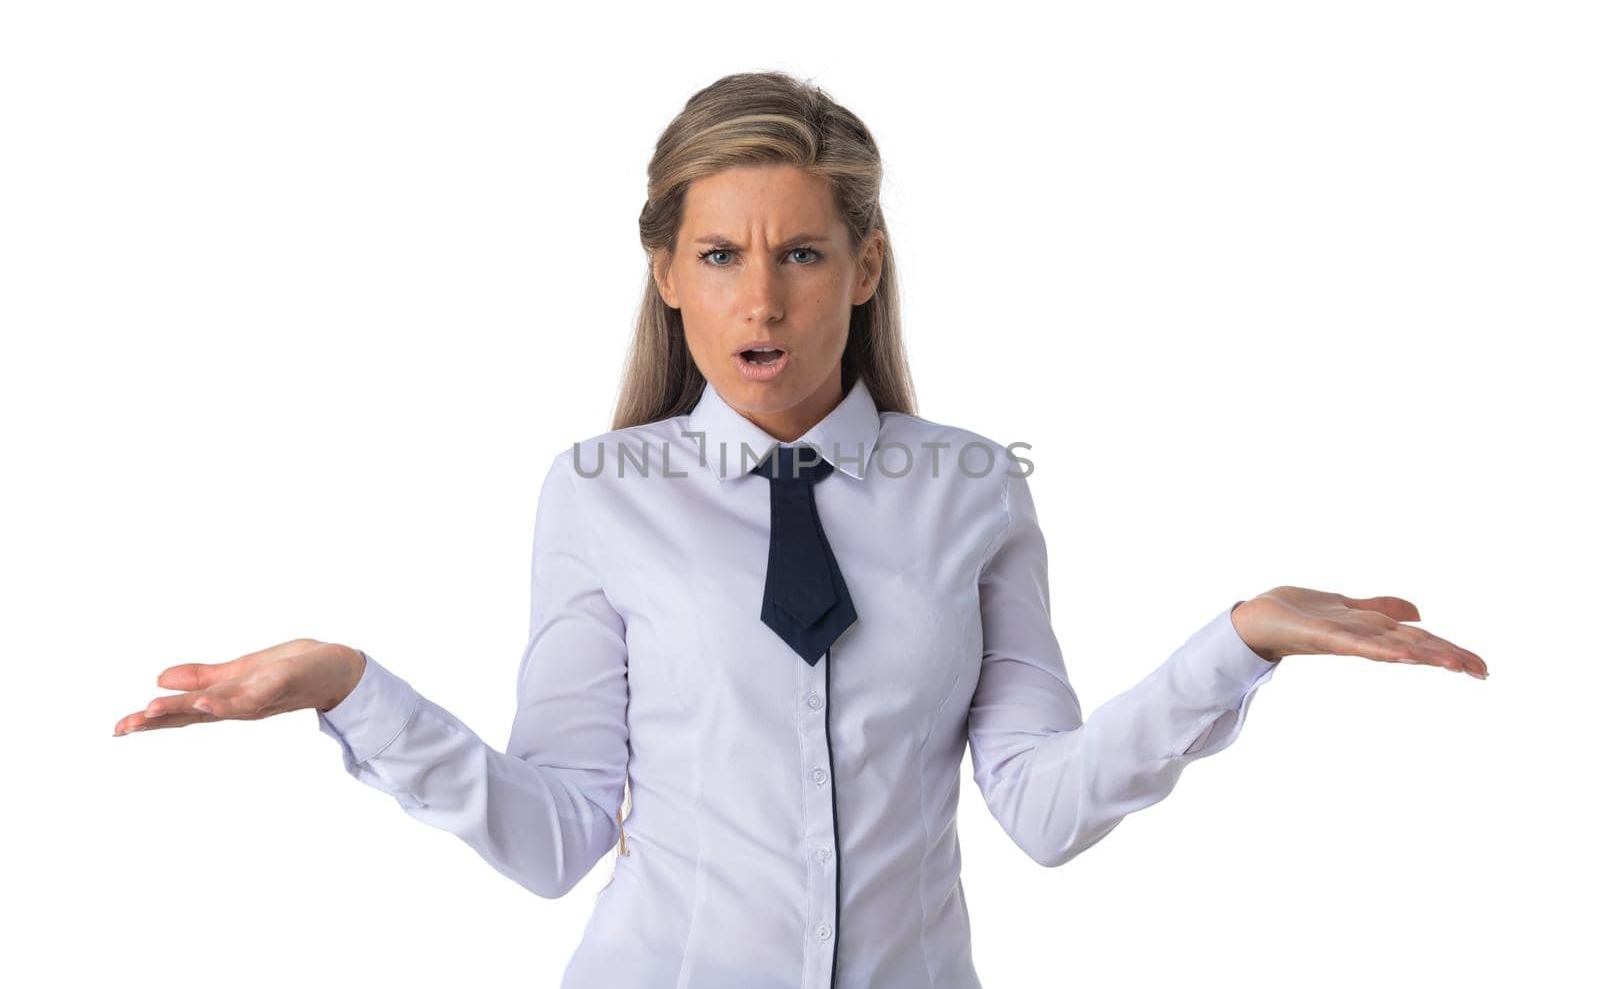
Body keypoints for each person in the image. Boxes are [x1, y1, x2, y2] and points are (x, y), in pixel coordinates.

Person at [113, 71, 1489, 989]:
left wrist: (1238, 643)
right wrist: (349, 688)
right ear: (666, 274)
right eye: (719, 256)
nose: (759, 301)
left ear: (864, 265)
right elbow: (554, 836)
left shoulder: (971, 489)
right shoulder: (599, 493)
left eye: (801, 253)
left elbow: (1044, 810)